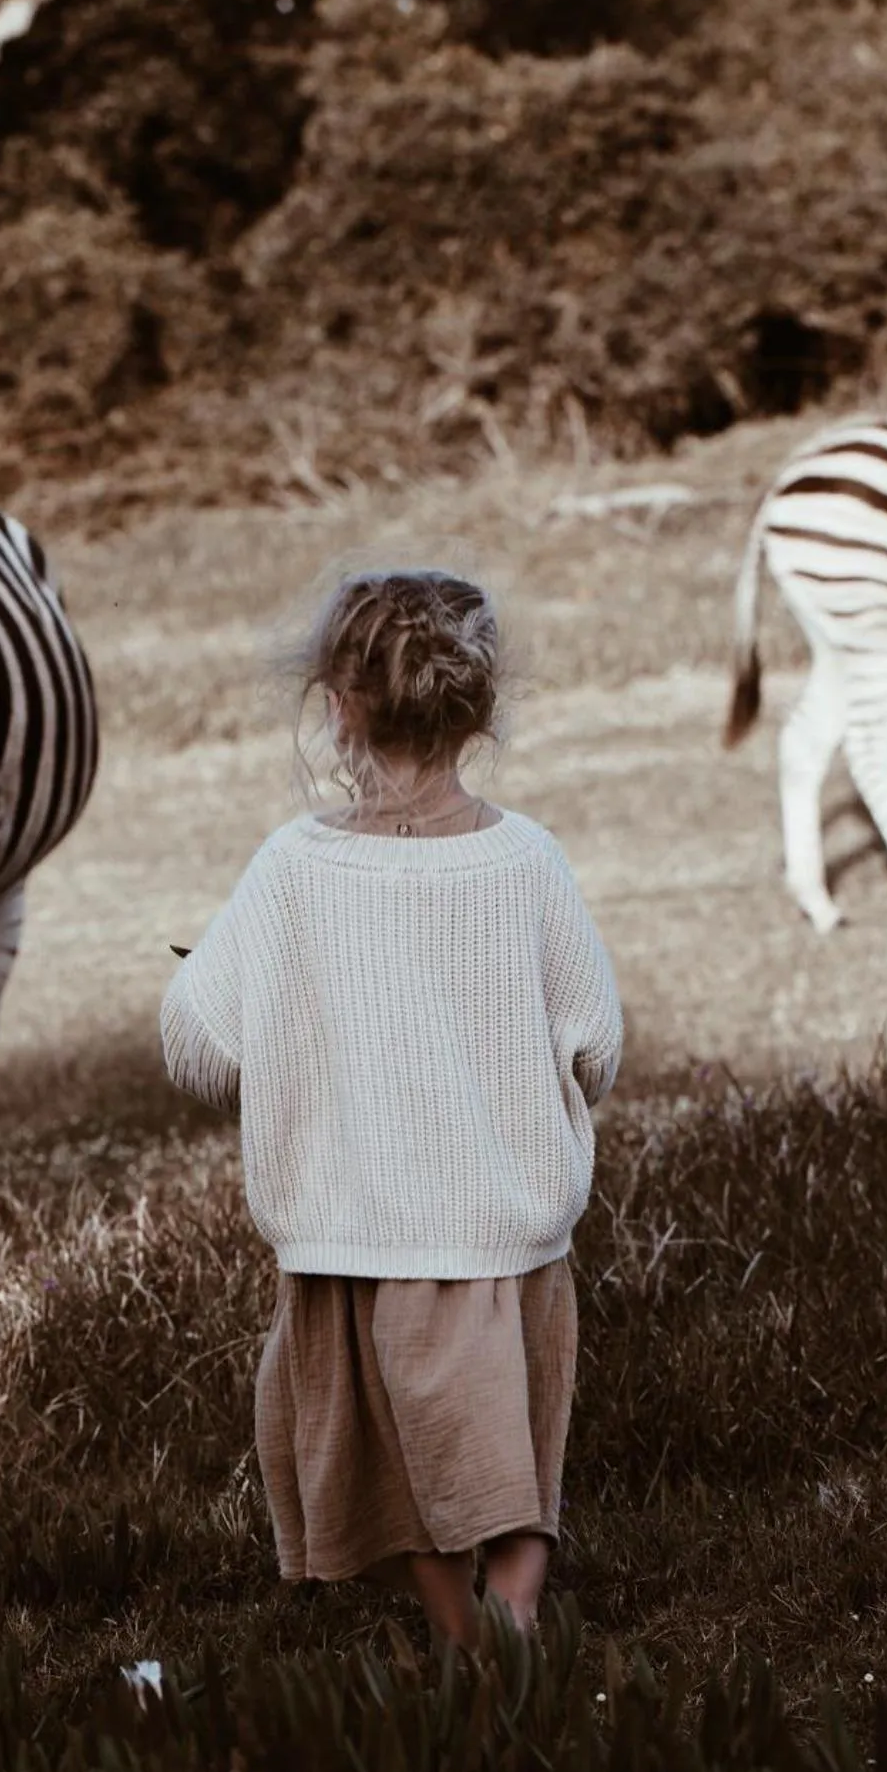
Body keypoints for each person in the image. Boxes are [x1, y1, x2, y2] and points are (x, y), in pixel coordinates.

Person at [160, 566, 624, 1649]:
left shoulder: (295, 868)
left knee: (409, 1464)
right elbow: (594, 1040)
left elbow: (201, 1043)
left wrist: (272, 1028)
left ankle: (465, 1635)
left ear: (334, 706)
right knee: (507, 1450)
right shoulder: (528, 862)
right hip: (506, 1239)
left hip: (363, 1233)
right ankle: (512, 1602)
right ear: (481, 709)